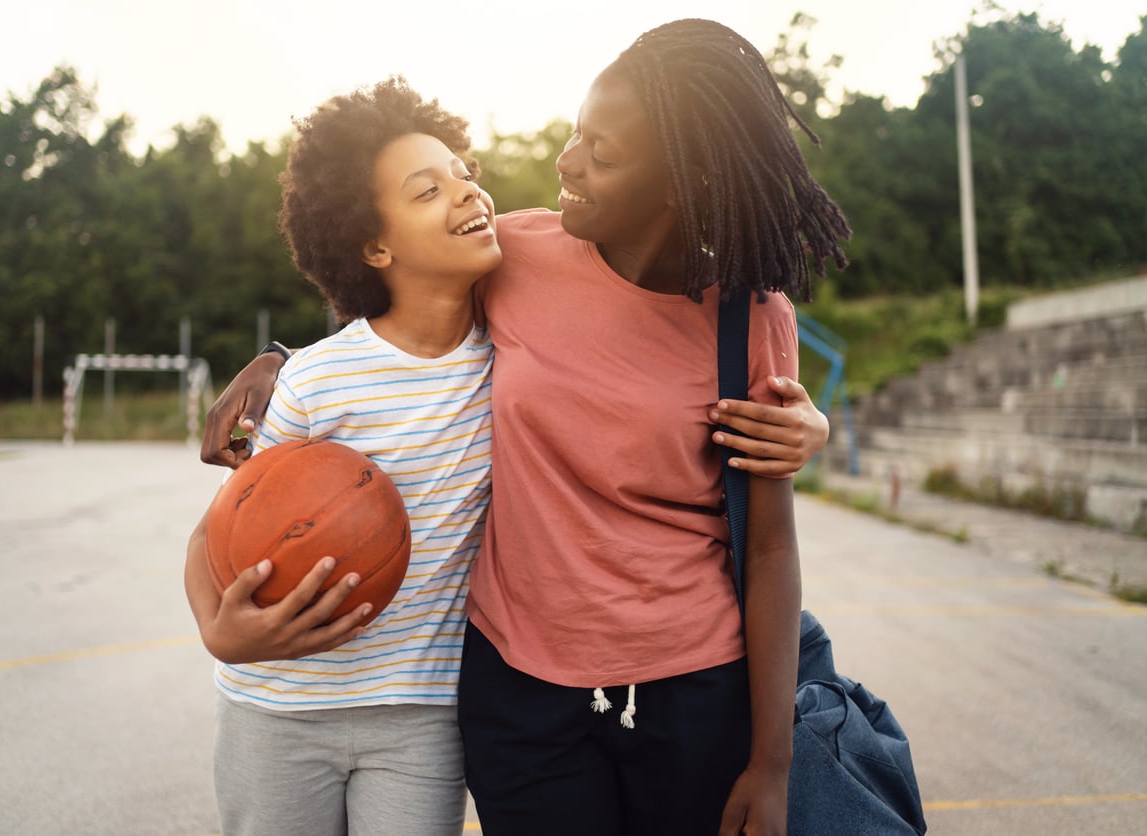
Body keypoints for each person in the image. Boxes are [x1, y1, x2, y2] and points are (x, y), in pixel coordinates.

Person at [201, 18, 848, 836]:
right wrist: (282, 361)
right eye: (577, 133)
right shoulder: (519, 255)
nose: (566, 161)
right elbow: (402, 302)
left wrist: (772, 760)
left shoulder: (751, 320)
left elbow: (771, 549)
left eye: (601, 153)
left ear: (684, 182)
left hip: (691, 690)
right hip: (520, 691)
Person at [184, 77, 502, 836]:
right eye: (428, 190)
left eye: (465, 173)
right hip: (278, 709)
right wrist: (218, 630)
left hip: (420, 713)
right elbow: (216, 532)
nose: (466, 191)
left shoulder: (515, 360)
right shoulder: (316, 380)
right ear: (374, 246)